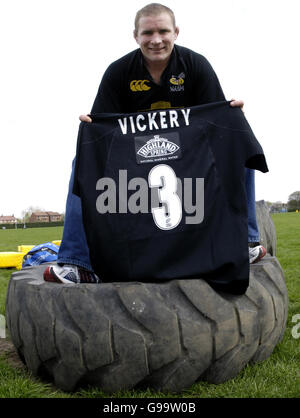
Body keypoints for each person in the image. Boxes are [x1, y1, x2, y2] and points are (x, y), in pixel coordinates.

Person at [44, 3, 266, 285]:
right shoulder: (119, 71)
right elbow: (103, 131)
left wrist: (232, 115)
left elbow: (215, 122)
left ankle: (245, 241)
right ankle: (77, 261)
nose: (156, 39)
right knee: (83, 161)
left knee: (238, 141)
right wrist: (90, 125)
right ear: (135, 36)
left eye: (163, 31)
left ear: (176, 32)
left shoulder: (195, 65)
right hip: (136, 160)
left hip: (187, 158)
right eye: (148, 32)